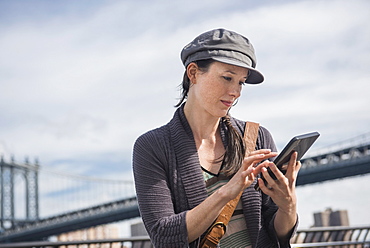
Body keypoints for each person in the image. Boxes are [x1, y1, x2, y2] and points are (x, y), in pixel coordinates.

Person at [133, 28, 300, 248]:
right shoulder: (152, 147)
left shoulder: (257, 138)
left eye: (241, 82)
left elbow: (276, 232)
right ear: (193, 73)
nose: (236, 92)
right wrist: (227, 192)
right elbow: (164, 236)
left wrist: (288, 206)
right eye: (227, 78)